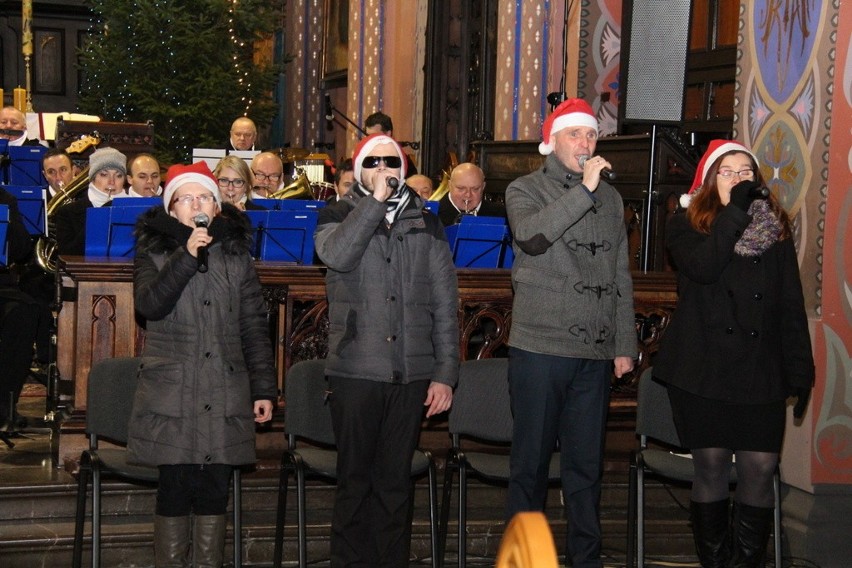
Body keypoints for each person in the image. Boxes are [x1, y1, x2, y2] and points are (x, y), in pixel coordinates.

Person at [652, 140, 814, 568]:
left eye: (746, 173)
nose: (739, 178)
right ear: (709, 181)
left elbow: (789, 303)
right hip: (704, 372)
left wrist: (801, 368)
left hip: (760, 373)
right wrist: (734, 213)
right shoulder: (684, 224)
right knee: (712, 471)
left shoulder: (774, 230)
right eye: (728, 172)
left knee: (760, 470)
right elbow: (705, 267)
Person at [314, 133, 458, 567]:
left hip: (411, 373)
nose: (383, 170)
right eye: (373, 162)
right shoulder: (336, 213)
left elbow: (445, 303)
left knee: (395, 485)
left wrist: (446, 373)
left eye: (391, 162)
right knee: (354, 483)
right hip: (356, 369)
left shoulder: (426, 221)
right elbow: (337, 255)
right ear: (360, 170)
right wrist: (373, 203)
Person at [504, 98, 635, 568]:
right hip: (540, 347)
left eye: (592, 136)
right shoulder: (524, 190)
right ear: (552, 142)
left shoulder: (612, 199)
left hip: (594, 351)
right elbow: (533, 238)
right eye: (576, 135)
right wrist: (584, 190)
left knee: (586, 469)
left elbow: (620, 274)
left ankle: (586, 560)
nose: (586, 144)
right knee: (530, 468)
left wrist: (624, 345)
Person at [128, 161, 276, 567]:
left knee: (215, 489)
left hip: (225, 389)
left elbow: (253, 327)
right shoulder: (153, 253)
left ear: (217, 207)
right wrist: (187, 256)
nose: (198, 204)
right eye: (188, 197)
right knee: (175, 488)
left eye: (206, 197)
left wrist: (264, 388)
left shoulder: (235, 257)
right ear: (172, 207)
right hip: (171, 392)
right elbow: (150, 305)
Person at [0, 187, 41, 433]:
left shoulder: (5, 199)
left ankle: (5, 405)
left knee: (24, 313)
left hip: (1, 285)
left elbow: (21, 248)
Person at [54, 147, 127, 256]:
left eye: (118, 175)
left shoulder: (136, 209)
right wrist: (102, 213)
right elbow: (68, 254)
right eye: (104, 174)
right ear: (93, 178)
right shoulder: (67, 212)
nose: (112, 182)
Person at [437, 162, 505, 227]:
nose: (468, 195)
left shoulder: (502, 214)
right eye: (461, 188)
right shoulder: (433, 214)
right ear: (449, 185)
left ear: (483, 187)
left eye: (475, 189)